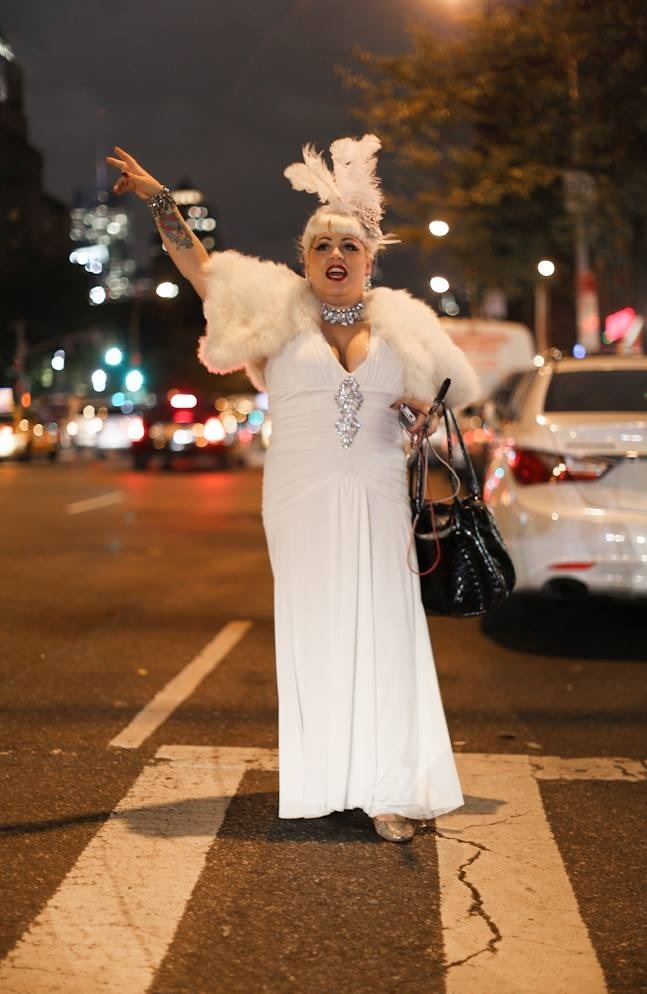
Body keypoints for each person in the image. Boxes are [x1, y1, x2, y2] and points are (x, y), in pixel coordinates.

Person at [106, 136, 479, 843]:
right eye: (320, 245)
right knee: (316, 629)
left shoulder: (401, 327)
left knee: (383, 631)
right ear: (305, 257)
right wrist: (160, 198)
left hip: (374, 489)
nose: (334, 255)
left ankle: (387, 788)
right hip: (299, 492)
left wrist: (419, 412)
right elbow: (200, 267)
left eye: (349, 245)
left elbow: (436, 401)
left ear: (369, 259)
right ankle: (325, 779)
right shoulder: (272, 314)